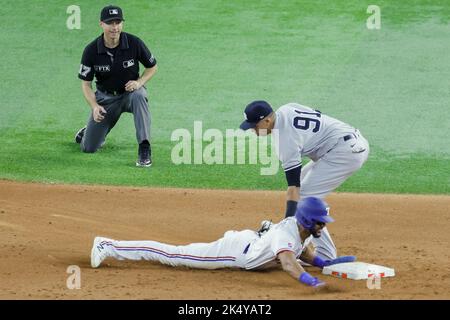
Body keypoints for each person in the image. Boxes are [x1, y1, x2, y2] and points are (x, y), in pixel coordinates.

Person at [90, 197, 355, 288]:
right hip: (233, 253)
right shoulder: (288, 234)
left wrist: (323, 263)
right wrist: (312, 281)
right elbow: (288, 262)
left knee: (281, 255)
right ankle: (109, 245)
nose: (324, 225)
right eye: (321, 222)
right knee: (175, 255)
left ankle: (112, 246)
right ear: (308, 221)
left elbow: (301, 253)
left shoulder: (300, 230)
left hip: (252, 240)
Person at [240, 100, 369, 260]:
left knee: (305, 198)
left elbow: (293, 189)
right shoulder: (287, 108)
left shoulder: (285, 142)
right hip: (349, 140)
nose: (252, 130)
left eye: (254, 125)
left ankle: (324, 254)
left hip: (344, 153)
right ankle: (299, 237)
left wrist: (287, 226)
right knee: (302, 184)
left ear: (267, 121)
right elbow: (317, 112)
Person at [76, 5, 158, 167]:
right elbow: (86, 84)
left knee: (140, 95)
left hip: (130, 95)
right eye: (110, 23)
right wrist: (94, 106)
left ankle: (144, 146)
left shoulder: (134, 43)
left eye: (118, 22)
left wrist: (139, 82)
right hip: (106, 99)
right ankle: (88, 133)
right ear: (102, 24)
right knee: (88, 148)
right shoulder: (91, 50)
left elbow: (152, 67)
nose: (115, 27)